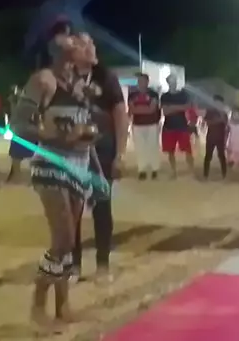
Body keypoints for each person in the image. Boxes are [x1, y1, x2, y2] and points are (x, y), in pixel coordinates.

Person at [11, 30, 102, 330]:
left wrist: (96, 171)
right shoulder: (43, 80)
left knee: (70, 241)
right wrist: (54, 135)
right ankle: (37, 307)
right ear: (60, 52)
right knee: (62, 239)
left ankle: (62, 307)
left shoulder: (79, 84)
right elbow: (19, 124)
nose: (79, 44)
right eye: (73, 42)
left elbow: (83, 130)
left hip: (78, 165)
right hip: (51, 164)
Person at [71, 32, 128, 283]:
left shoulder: (107, 78)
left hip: (102, 152)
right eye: (84, 45)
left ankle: (102, 265)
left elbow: (120, 115)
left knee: (102, 207)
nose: (91, 48)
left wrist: (120, 154)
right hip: (71, 154)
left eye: (91, 43)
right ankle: (74, 265)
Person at [127, 74, 161, 180]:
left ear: (147, 82)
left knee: (152, 146)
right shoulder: (132, 95)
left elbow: (152, 109)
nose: (141, 83)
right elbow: (132, 109)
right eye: (139, 81)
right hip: (137, 124)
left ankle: (154, 169)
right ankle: (142, 169)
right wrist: (145, 108)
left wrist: (138, 109)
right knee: (140, 147)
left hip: (152, 124)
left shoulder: (153, 94)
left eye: (143, 81)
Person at [160, 74, 194, 178]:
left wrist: (172, 107)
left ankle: (191, 170)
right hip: (169, 127)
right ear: (168, 82)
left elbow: (188, 107)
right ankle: (173, 171)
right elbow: (165, 112)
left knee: (188, 150)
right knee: (170, 151)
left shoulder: (183, 94)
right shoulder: (165, 96)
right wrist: (180, 107)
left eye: (174, 81)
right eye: (171, 81)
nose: (173, 83)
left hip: (182, 126)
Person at [7, 84, 36, 183]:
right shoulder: (27, 103)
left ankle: (17, 177)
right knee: (25, 156)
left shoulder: (24, 103)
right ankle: (21, 177)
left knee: (16, 157)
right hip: (26, 131)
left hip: (22, 132)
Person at [203, 95, 228, 180]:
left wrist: (222, 116)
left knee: (221, 156)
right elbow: (208, 122)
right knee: (208, 156)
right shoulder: (210, 111)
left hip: (221, 138)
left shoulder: (224, 113)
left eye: (219, 103)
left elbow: (226, 123)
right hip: (210, 137)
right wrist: (219, 120)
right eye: (216, 103)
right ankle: (205, 175)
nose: (217, 104)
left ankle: (224, 174)